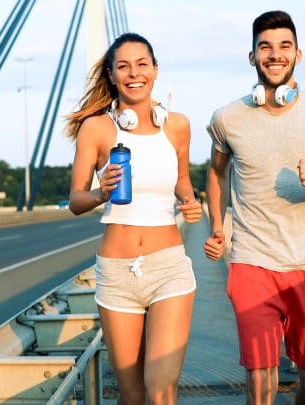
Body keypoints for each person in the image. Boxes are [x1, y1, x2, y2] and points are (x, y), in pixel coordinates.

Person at [203, 10, 305, 405]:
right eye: (265, 47)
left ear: (298, 54)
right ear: (253, 56)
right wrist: (217, 226)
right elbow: (215, 173)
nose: (275, 54)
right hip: (253, 262)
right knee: (260, 381)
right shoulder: (228, 118)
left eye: (284, 46)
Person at [66, 32, 202, 404]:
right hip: (116, 272)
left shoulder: (177, 126)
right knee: (131, 394)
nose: (134, 73)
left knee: (160, 392)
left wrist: (192, 203)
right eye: (123, 66)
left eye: (142, 64)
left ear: (155, 70)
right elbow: (76, 199)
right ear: (111, 75)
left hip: (169, 268)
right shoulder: (96, 129)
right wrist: (100, 192)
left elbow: (183, 182)